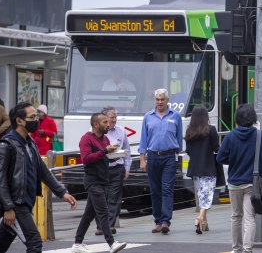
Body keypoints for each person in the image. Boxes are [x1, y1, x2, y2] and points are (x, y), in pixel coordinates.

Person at [0, 102, 77, 253]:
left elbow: (43, 171)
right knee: (35, 243)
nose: (36, 120)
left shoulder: (29, 143)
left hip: (25, 202)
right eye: (32, 117)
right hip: (16, 204)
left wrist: (62, 192)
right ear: (19, 121)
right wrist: (8, 208)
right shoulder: (6, 145)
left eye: (37, 116)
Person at [216, 104, 262, 253]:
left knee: (236, 216)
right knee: (249, 218)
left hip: (234, 183)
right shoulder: (261, 136)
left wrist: (234, 160)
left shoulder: (230, 136)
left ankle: (236, 249)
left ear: (237, 119)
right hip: (253, 184)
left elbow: (220, 157)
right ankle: (248, 249)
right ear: (253, 119)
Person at [71, 113, 127, 253]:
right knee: (103, 212)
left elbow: (104, 157)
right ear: (96, 125)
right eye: (104, 122)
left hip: (103, 180)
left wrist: (113, 156)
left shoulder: (105, 138)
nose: (108, 124)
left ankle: (77, 243)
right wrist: (104, 151)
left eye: (108, 122)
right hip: (93, 181)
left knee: (88, 214)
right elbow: (86, 159)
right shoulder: (86, 139)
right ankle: (111, 243)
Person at [139, 88, 183, 235]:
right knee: (155, 191)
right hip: (152, 157)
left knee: (167, 190)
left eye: (162, 99)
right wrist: (142, 159)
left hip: (169, 157)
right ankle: (157, 221)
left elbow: (179, 138)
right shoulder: (148, 117)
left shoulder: (175, 116)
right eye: (157, 99)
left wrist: (177, 155)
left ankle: (165, 221)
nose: (159, 102)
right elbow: (143, 140)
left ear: (167, 100)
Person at [93, 106, 131, 236]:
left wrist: (127, 168)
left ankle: (108, 225)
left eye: (115, 117)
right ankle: (101, 226)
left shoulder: (121, 131)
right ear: (104, 118)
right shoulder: (97, 132)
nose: (114, 120)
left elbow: (127, 151)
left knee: (115, 198)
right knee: (101, 197)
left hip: (117, 168)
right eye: (111, 117)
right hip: (102, 169)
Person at [184, 104, 219, 234]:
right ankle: (199, 218)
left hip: (195, 169)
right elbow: (216, 148)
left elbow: (188, 150)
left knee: (201, 194)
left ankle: (204, 224)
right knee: (207, 196)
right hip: (208, 167)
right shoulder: (211, 130)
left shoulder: (189, 131)